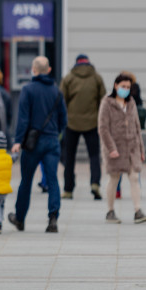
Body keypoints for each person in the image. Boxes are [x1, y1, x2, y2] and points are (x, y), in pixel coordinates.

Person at [9, 57, 66, 234]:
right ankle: (53, 218)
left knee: (26, 181)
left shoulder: (28, 89)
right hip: (51, 142)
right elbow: (63, 119)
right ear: (48, 70)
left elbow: (23, 118)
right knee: (53, 180)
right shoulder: (57, 91)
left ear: (33, 70)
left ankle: (20, 218)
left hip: (32, 143)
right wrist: (55, 134)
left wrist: (18, 141)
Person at [98, 73, 146, 224]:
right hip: (115, 147)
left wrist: (141, 149)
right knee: (114, 178)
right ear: (116, 86)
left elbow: (136, 126)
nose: (125, 90)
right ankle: (110, 211)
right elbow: (103, 128)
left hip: (132, 147)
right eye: (123, 87)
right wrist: (110, 148)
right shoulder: (107, 103)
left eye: (128, 87)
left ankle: (137, 211)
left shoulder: (131, 102)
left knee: (134, 177)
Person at [60, 54, 106, 201]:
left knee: (69, 157)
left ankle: (68, 189)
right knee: (94, 156)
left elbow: (62, 100)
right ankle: (95, 184)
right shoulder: (97, 78)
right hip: (92, 123)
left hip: (71, 123)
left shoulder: (69, 78)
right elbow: (103, 100)